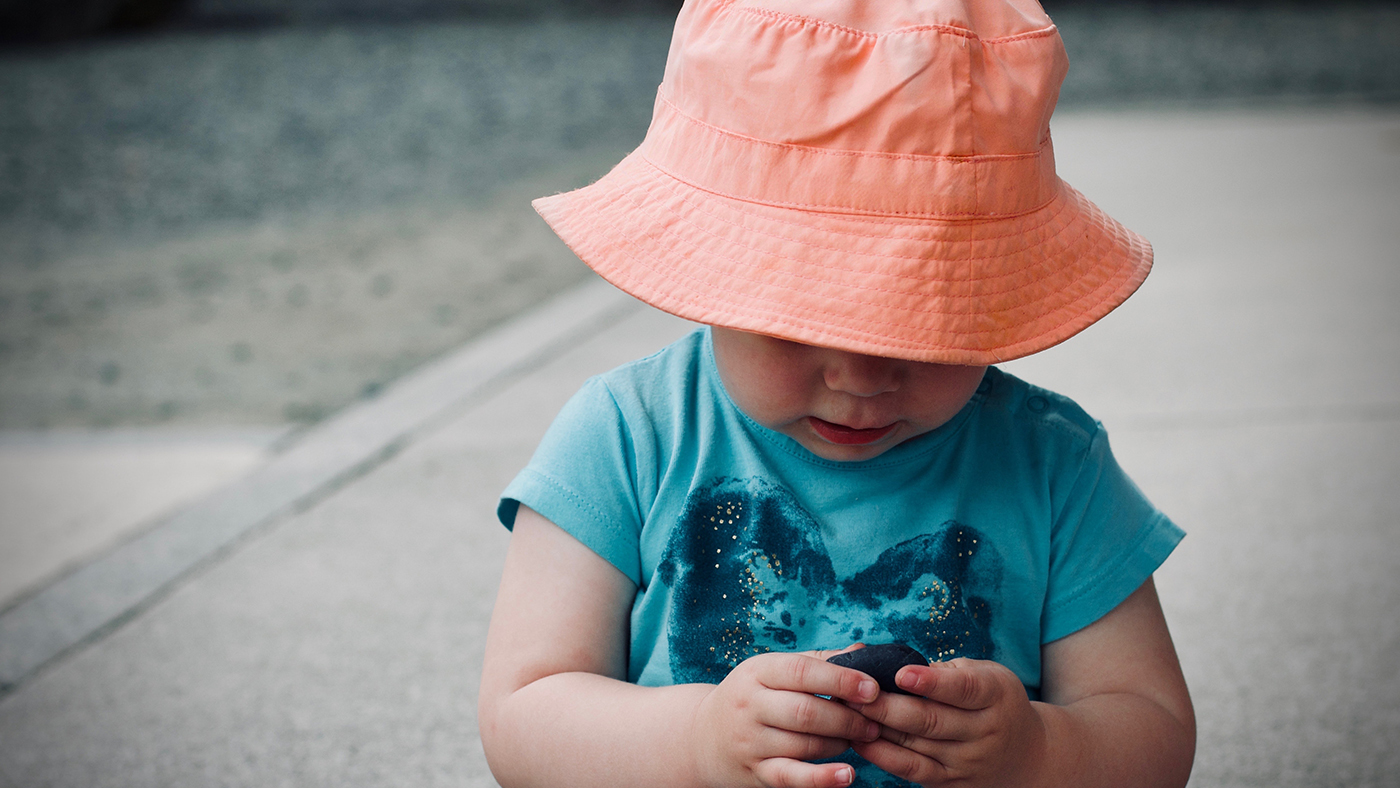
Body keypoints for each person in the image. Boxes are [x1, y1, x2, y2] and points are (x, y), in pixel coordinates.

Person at [477, 0, 1196, 786]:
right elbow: (524, 713)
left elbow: (1149, 729)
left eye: (922, 319)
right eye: (800, 320)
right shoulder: (628, 436)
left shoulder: (1055, 466)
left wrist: (1041, 751)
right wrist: (698, 741)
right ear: (710, 276)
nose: (860, 377)